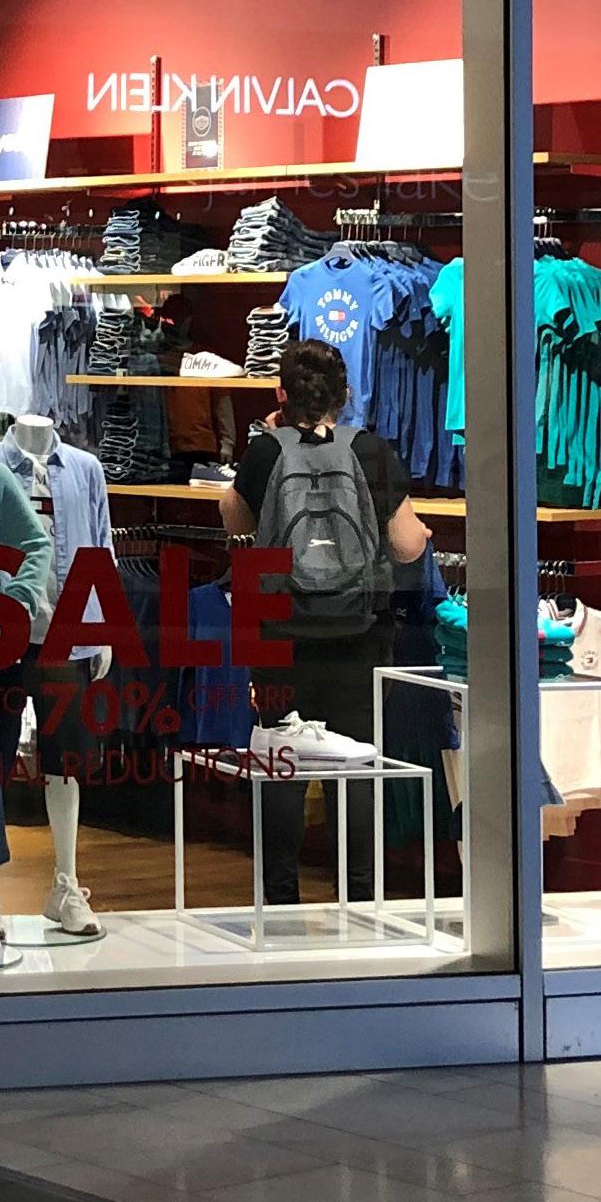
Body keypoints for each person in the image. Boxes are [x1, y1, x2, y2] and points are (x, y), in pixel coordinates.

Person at [220, 339, 431, 906]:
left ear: (281, 394)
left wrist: (269, 443)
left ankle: (280, 902)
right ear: (345, 394)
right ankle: (359, 900)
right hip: (360, 636)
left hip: (280, 639)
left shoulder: (266, 453)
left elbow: (234, 520)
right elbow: (407, 546)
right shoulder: (372, 451)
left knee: (282, 766)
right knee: (357, 768)